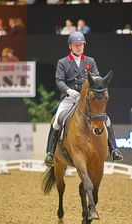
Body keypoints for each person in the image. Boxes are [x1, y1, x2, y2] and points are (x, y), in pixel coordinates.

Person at [44, 32, 123, 166]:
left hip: (87, 99)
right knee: (58, 120)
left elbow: (96, 77)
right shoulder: (63, 62)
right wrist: (69, 91)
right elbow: (59, 81)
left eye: (81, 45)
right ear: (70, 46)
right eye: (76, 45)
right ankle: (50, 153)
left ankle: (114, 149)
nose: (79, 47)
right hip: (70, 98)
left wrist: (98, 85)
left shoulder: (90, 61)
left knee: (106, 120)